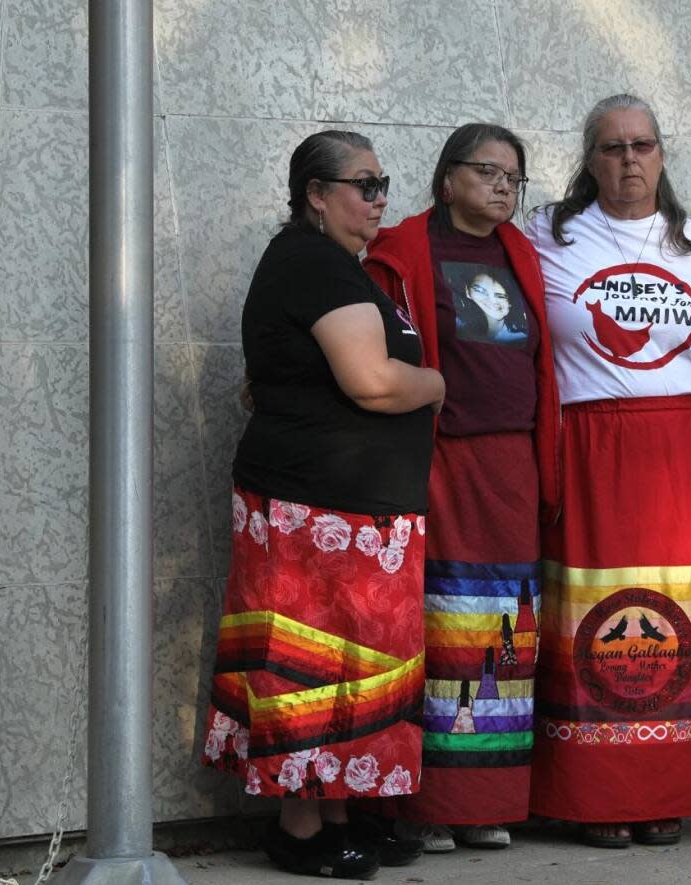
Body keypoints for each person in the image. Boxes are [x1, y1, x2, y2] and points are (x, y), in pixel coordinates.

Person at [200, 130, 445, 879]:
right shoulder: (309, 261)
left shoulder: (342, 269)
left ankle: (340, 810)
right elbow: (371, 381)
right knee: (310, 668)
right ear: (315, 192)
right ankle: (299, 825)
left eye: (383, 184)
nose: (378, 199)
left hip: (357, 514)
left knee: (356, 669)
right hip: (313, 511)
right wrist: (435, 383)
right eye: (363, 184)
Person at [524, 94, 691, 848]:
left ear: (663, 155)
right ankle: (591, 792)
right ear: (590, 158)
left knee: (681, 608)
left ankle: (666, 787)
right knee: (588, 606)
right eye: (611, 147)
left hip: (684, 448)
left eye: (642, 144)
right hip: (589, 445)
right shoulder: (547, 233)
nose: (629, 159)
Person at [364, 123, 560, 852]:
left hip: (513, 461)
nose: (504, 185)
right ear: (448, 179)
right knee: (440, 615)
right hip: (442, 459)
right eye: (487, 171)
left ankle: (486, 800)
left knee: (505, 627)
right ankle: (426, 802)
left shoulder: (521, 257)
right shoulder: (403, 253)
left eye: (515, 174)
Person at [452, 267, 530, 345]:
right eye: (480, 291)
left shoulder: (520, 338)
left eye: (501, 296)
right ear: (467, 291)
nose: (493, 301)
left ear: (510, 302)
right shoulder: (453, 324)